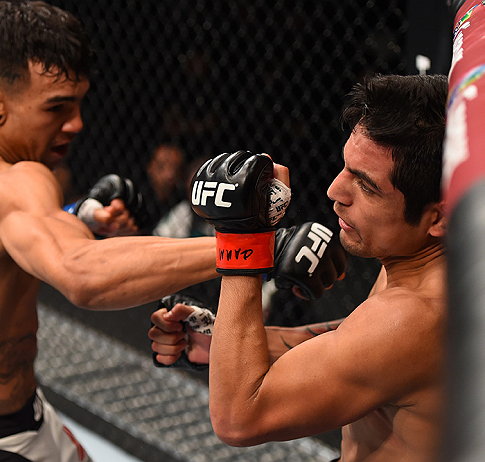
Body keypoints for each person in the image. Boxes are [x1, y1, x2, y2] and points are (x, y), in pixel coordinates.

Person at [0, 2, 333, 461]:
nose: (76, 123)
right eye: (57, 107)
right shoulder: (16, 182)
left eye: (78, 101)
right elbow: (82, 273)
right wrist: (254, 246)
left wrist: (78, 215)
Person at [149, 74, 448, 462]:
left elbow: (239, 419)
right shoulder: (420, 262)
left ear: (437, 216)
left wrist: (245, 240)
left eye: (367, 186)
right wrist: (227, 343)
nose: (335, 192)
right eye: (346, 167)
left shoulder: (413, 316)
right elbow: (353, 340)